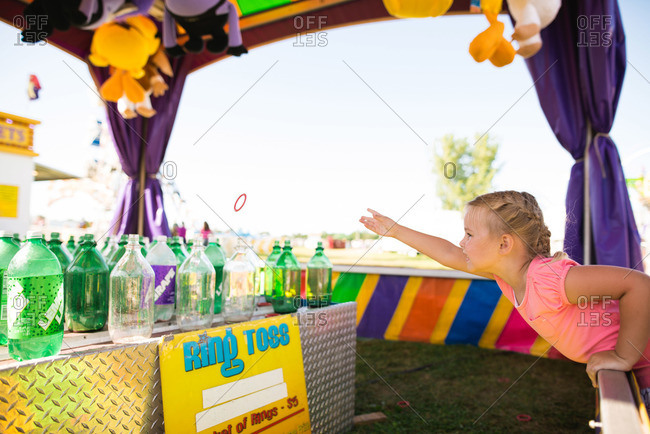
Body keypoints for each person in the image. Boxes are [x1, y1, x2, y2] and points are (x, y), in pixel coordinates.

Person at [360, 190, 650, 410]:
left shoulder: (549, 280)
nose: (462, 242)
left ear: (504, 244)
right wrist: (395, 231)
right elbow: (449, 253)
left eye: (469, 234)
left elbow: (637, 283)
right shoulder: (507, 278)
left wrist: (623, 356)